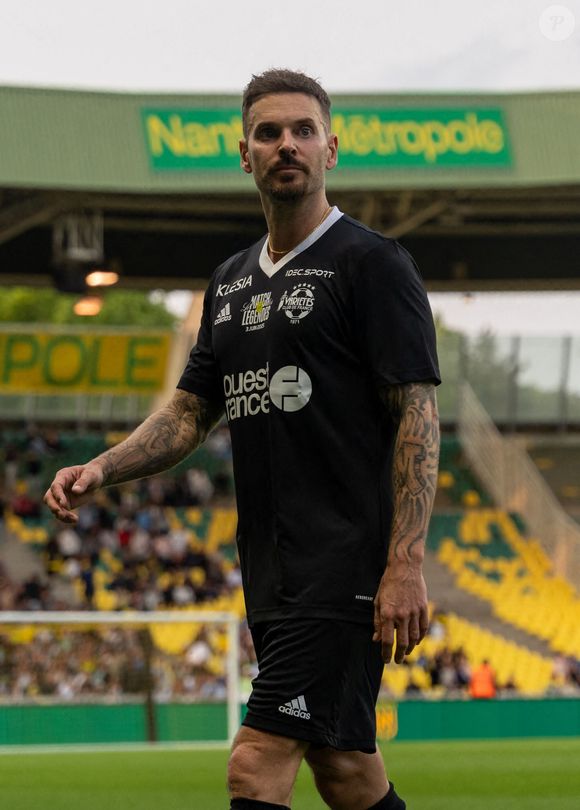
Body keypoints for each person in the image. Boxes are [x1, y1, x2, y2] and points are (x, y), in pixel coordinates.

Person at [44, 69, 441, 810]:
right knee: (345, 770)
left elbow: (417, 413)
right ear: (244, 154)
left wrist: (405, 563)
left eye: (302, 131)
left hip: (344, 561)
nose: (285, 144)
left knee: (254, 764)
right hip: (269, 566)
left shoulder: (372, 263)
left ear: (331, 150)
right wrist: (102, 466)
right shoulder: (229, 281)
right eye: (268, 132)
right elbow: (191, 413)